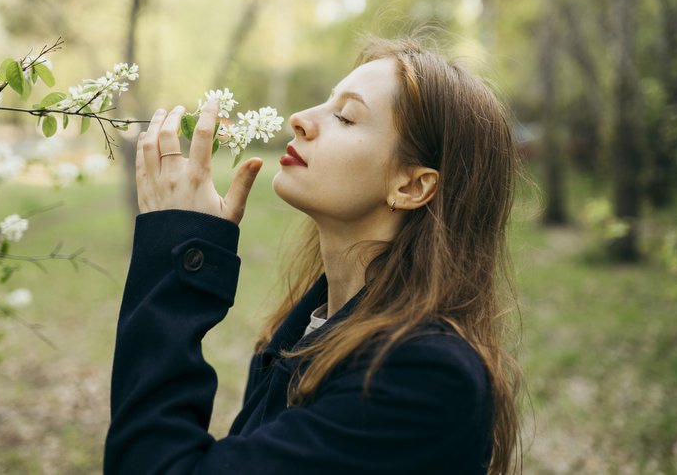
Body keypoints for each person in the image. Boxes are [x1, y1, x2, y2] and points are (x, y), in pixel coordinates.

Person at [104, 37, 521, 474]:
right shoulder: (304, 330)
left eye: (345, 116)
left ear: (412, 186)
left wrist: (179, 261)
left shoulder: (425, 376)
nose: (299, 119)